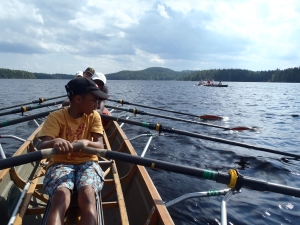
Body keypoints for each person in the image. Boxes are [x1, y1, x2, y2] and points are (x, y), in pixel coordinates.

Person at [37, 77, 109, 225]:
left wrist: (86, 142)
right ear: (78, 99)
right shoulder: (56, 117)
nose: (97, 105)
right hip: (60, 164)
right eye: (94, 100)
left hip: (87, 162)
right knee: (60, 196)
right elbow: (41, 146)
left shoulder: (94, 116)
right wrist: (55, 141)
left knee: (88, 195)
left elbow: (100, 146)